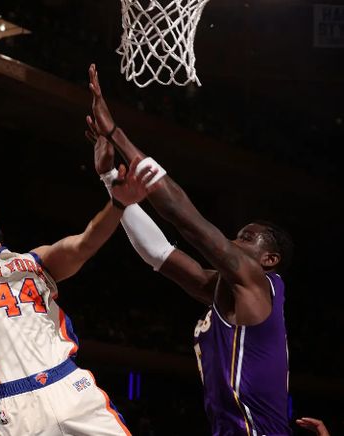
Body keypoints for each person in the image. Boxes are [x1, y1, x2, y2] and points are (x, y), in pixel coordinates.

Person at [0, 47, 157, 436]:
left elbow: (84, 244)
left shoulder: (34, 261)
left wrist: (118, 203)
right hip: (14, 406)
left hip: (70, 385)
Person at [86, 63, 295, 436]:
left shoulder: (257, 282)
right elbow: (159, 254)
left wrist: (117, 134)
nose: (233, 241)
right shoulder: (226, 291)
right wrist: (110, 179)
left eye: (247, 238)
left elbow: (185, 219)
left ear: (269, 260)